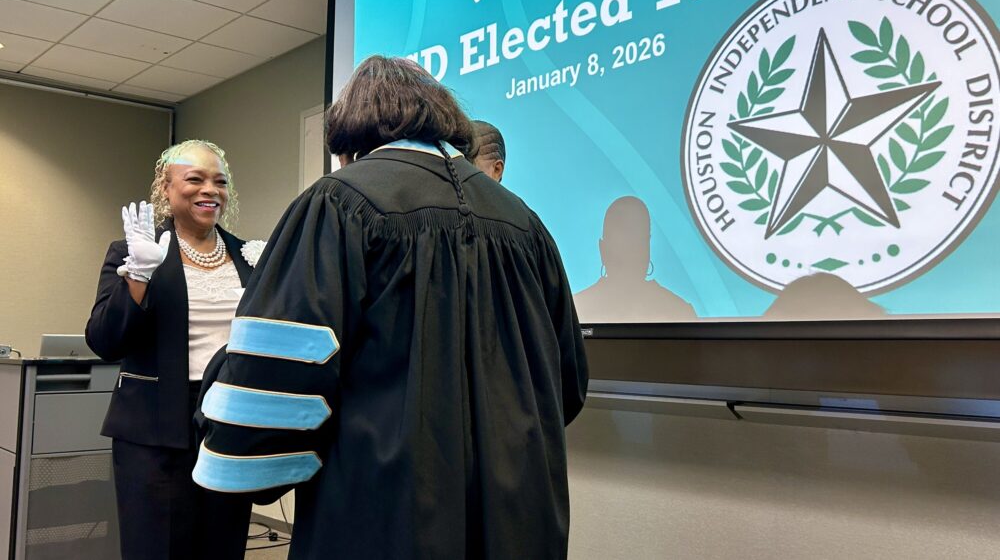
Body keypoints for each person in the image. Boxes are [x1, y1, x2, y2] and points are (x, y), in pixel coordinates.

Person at [193, 56, 589, 560]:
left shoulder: (336, 203)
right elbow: (568, 384)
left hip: (382, 513)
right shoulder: (523, 222)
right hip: (519, 518)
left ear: (350, 136)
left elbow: (276, 387)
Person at [85, 140, 253, 560]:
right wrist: (139, 276)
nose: (209, 190)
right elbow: (104, 341)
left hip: (227, 423)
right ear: (166, 187)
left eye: (219, 181)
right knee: (157, 548)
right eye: (194, 179)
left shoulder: (249, 256)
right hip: (154, 429)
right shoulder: (131, 251)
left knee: (223, 545)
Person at [574, 196, 696, 322]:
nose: (629, 250)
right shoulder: (680, 310)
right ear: (602, 248)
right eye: (622, 240)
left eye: (635, 241)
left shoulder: (574, 311)